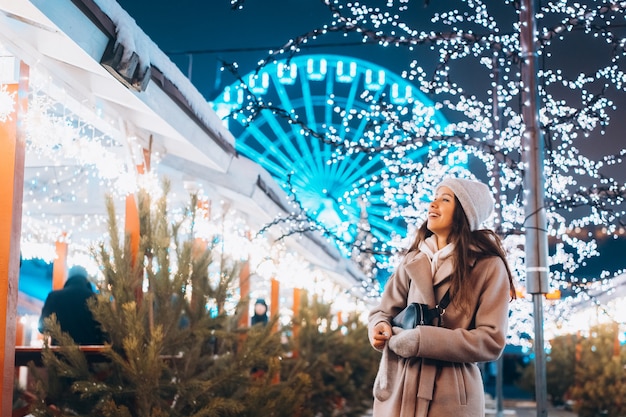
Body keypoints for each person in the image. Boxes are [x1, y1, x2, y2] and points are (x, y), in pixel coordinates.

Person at [368, 176, 516, 417]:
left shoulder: (488, 266)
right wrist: (379, 326)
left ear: (465, 212)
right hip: (401, 387)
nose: (433, 204)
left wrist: (422, 340)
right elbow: (383, 311)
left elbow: (491, 341)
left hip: (451, 396)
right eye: (434, 198)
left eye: (445, 199)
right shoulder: (412, 260)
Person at [39, 265, 106, 345]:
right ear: (86, 279)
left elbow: (43, 327)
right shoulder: (97, 299)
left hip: (60, 354)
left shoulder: (54, 297)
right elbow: (105, 331)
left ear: (69, 278)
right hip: (90, 354)